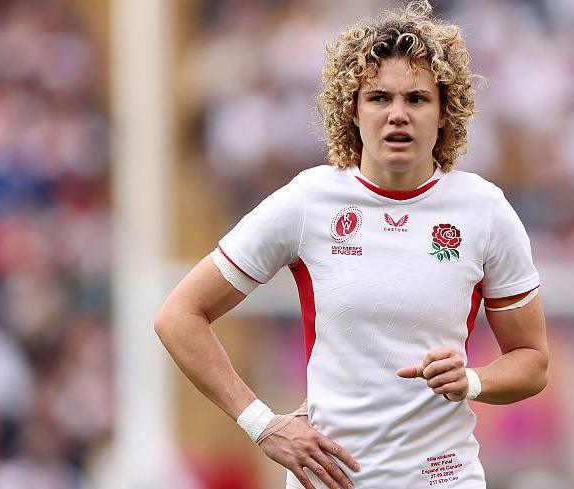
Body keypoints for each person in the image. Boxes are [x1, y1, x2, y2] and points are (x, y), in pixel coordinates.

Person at [155, 2, 549, 488]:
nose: (398, 115)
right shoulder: (309, 201)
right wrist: (262, 424)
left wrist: (473, 380)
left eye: (418, 99)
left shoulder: (483, 210)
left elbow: (532, 361)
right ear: (352, 109)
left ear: (446, 111)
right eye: (379, 98)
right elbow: (179, 316)